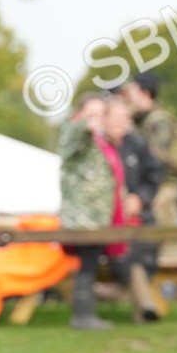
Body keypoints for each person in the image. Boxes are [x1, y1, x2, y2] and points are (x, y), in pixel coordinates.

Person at [59, 94, 125, 330]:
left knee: (90, 265)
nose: (96, 118)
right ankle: (82, 317)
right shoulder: (77, 132)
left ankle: (86, 315)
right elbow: (72, 142)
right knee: (86, 266)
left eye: (100, 114)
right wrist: (84, 125)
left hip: (97, 218)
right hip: (82, 218)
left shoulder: (102, 141)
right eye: (92, 113)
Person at [121, 72, 177, 261]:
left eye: (132, 92)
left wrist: (150, 190)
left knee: (168, 248)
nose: (129, 98)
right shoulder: (148, 120)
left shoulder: (156, 121)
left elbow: (157, 160)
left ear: (145, 93)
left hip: (163, 190)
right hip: (161, 189)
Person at [103, 97, 165, 323]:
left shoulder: (138, 145)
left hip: (140, 219)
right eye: (115, 117)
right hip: (111, 223)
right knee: (127, 255)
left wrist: (140, 198)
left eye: (124, 118)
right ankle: (145, 306)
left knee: (144, 250)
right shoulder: (98, 147)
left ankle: (139, 302)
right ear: (105, 119)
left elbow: (154, 176)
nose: (120, 122)